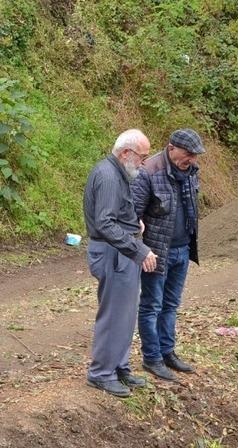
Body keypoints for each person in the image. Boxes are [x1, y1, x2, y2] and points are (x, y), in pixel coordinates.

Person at [83, 129, 158, 398]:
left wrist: (133, 222)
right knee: (114, 314)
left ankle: (119, 367)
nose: (144, 163)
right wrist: (138, 249)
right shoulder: (108, 175)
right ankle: (101, 373)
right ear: (126, 153)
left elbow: (115, 213)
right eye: (142, 157)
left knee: (126, 314)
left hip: (121, 252)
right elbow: (104, 223)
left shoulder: (119, 173)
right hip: (114, 254)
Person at [132, 128, 205, 382]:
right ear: (172, 148)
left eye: (195, 156)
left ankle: (167, 352)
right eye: (189, 154)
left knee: (171, 305)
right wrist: (143, 251)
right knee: (151, 305)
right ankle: (151, 358)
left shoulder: (191, 173)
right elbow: (133, 217)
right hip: (156, 252)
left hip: (183, 249)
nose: (192, 160)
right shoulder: (148, 171)